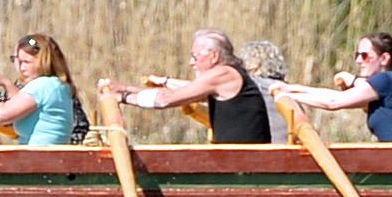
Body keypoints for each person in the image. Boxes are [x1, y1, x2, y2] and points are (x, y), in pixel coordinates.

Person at [102, 28, 270, 146]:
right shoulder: (227, 74)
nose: (191, 63)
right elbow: (183, 91)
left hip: (245, 161)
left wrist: (122, 98)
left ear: (213, 56)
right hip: (235, 158)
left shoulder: (223, 74)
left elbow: (164, 100)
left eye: (195, 57)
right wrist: (126, 88)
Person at [276, 33, 392, 143]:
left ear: (384, 59)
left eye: (365, 56)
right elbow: (331, 96)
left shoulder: (386, 80)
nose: (359, 61)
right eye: (357, 55)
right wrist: (291, 89)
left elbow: (334, 102)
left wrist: (289, 97)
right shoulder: (385, 85)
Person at [0, 33, 87, 147]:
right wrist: (6, 83)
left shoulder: (42, 86)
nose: (21, 68)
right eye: (18, 61)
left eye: (26, 62)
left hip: (38, 159)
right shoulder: (59, 86)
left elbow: (1, 115)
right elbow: (19, 105)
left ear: (43, 61)